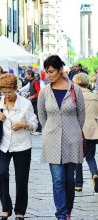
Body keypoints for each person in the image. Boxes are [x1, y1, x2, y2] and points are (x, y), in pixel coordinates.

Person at [38, 55, 85, 220]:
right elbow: (42, 117)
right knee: (58, 179)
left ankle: (68, 210)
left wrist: (73, 131)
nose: (48, 75)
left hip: (72, 140)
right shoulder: (44, 92)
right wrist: (50, 131)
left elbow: (81, 116)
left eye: (51, 71)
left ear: (60, 70)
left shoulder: (75, 89)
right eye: (46, 72)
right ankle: (61, 214)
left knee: (69, 180)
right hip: (52, 140)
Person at [0, 74, 38, 220]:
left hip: (22, 145)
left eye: (10, 92)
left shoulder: (25, 104)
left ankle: (20, 211)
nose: (7, 95)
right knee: (1, 173)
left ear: (15, 89)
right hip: (2, 144)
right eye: (4, 92)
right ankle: (5, 208)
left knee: (21, 179)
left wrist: (24, 125)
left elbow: (34, 125)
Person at [73, 73, 98, 193]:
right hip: (93, 129)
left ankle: (78, 184)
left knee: (78, 158)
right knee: (90, 156)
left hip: (79, 129)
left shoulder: (75, 95)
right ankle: (94, 174)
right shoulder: (94, 96)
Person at [25, 69, 41, 135]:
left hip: (36, 101)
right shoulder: (32, 81)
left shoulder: (35, 81)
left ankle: (39, 130)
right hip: (33, 101)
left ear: (29, 75)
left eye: (26, 74)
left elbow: (39, 92)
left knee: (37, 115)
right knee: (34, 115)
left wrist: (32, 97)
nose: (26, 76)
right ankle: (36, 129)